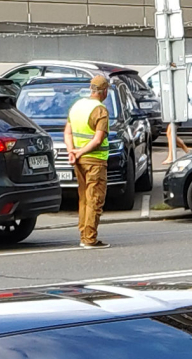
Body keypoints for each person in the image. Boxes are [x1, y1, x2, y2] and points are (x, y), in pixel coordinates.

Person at [66, 73, 112, 249]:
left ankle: (84, 235)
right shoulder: (100, 110)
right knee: (94, 199)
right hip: (95, 161)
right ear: (104, 91)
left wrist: (72, 151)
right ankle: (89, 239)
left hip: (79, 161)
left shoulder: (77, 106)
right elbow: (98, 139)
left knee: (84, 199)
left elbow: (68, 132)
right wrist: (80, 152)